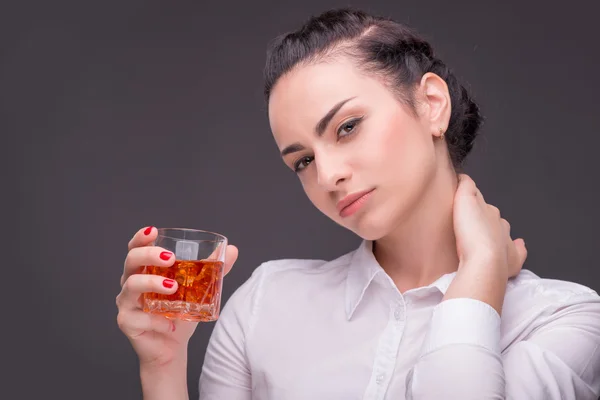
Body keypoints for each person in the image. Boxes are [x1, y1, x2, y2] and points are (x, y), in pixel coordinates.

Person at [116, 8, 600, 400]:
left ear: (431, 103)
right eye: (303, 160)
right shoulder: (266, 304)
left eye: (347, 127)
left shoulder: (564, 320)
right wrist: (162, 370)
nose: (327, 176)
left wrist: (481, 277)